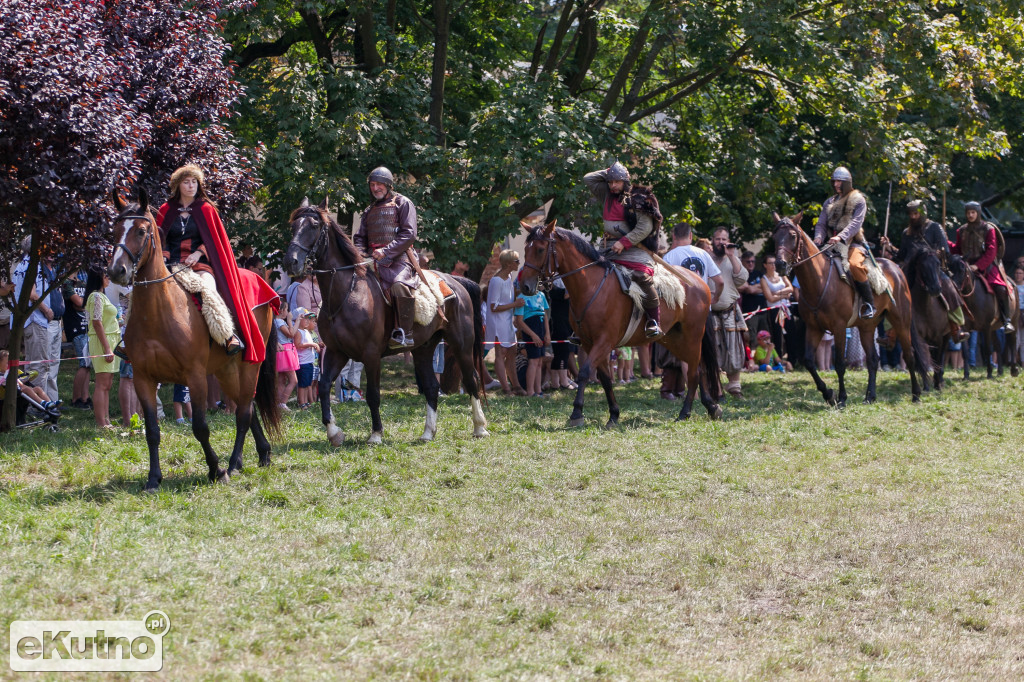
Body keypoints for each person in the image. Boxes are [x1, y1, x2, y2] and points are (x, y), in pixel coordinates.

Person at [154, 164, 251, 358]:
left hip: (199, 265)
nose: (191, 186)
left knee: (209, 290)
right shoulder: (166, 209)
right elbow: (158, 239)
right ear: (177, 186)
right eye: (186, 182)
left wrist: (197, 254)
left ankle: (227, 335)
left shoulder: (206, 209)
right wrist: (164, 258)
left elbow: (214, 241)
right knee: (145, 290)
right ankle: (129, 338)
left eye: (194, 182)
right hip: (169, 264)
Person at [584, 161, 664, 337]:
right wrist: (609, 172)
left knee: (641, 278)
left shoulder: (638, 198)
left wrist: (625, 242)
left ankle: (654, 322)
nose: (612, 185)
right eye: (610, 182)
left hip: (635, 248)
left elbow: (645, 228)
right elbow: (588, 178)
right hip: (607, 248)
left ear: (625, 182)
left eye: (617, 182)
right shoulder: (605, 193)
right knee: (589, 277)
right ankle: (586, 324)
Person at [881, 199, 968, 341]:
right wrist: (889, 245)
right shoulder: (906, 233)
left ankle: (956, 328)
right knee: (893, 293)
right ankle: (890, 332)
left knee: (950, 289)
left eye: (915, 213)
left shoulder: (934, 227)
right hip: (911, 270)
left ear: (922, 213)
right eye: (911, 214)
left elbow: (945, 250)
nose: (913, 217)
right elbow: (902, 255)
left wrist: (936, 254)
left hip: (931, 267)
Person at [355, 166, 421, 349]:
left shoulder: (403, 203)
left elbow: (409, 234)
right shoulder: (369, 211)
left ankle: (405, 333)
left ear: (388, 185)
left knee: (399, 285)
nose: (375, 188)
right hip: (374, 261)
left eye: (379, 184)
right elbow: (360, 238)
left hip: (399, 258)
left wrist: (386, 250)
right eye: (372, 185)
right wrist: (361, 254)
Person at [659, 222, 723, 399]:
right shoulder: (703, 253)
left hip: (679, 311)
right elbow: (720, 281)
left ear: (673, 237)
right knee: (709, 349)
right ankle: (716, 390)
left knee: (688, 353)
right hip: (703, 308)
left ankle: (693, 394)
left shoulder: (669, 256)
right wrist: (714, 298)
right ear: (691, 236)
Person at [813, 166, 875, 319]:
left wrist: (840, 237)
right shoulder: (829, 202)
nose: (835, 184)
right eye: (834, 181)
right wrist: (819, 237)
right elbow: (821, 224)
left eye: (839, 181)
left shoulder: (858, 200)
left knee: (854, 265)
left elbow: (855, 224)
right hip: (832, 244)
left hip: (852, 243)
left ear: (847, 182)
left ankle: (869, 304)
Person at [948, 201, 1015, 332]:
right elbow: (958, 249)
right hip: (966, 266)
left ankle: (1006, 318)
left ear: (978, 213)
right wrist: (947, 242)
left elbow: (991, 251)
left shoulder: (988, 229)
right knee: (953, 286)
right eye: (968, 213)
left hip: (987, 265)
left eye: (973, 212)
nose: (970, 215)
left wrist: (978, 266)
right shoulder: (961, 230)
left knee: (1000, 288)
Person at [9, 237, 54, 392]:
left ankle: (29, 403)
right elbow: (32, 294)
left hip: (26, 321)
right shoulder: (32, 265)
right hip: (35, 320)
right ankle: (37, 408)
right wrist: (47, 310)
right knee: (39, 366)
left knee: (30, 365)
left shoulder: (22, 264)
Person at [709, 226, 749, 398]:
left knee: (734, 350)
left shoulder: (733, 258)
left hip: (730, 311)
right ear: (712, 240)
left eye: (724, 239)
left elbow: (742, 279)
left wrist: (732, 256)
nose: (721, 242)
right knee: (713, 350)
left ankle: (734, 387)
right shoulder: (707, 258)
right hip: (710, 313)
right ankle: (716, 388)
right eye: (718, 239)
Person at [486, 250, 525, 395]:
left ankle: (516, 385)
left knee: (512, 351)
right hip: (498, 322)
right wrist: (515, 304)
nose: (518, 264)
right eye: (516, 261)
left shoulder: (508, 277)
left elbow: (509, 296)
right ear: (508, 263)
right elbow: (493, 306)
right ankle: (506, 388)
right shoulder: (497, 281)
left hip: (507, 321)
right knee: (500, 353)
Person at [86, 270, 120, 428]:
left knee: (108, 384)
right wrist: (107, 348)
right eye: (105, 275)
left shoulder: (103, 295)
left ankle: (107, 420)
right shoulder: (96, 296)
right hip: (102, 343)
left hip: (110, 341)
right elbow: (97, 322)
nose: (108, 278)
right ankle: (101, 423)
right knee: (101, 383)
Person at [62, 269, 92, 409]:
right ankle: (76, 399)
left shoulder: (83, 282)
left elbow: (85, 302)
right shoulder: (66, 284)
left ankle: (85, 397)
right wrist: (84, 304)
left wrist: (83, 304)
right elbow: (79, 303)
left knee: (88, 364)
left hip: (86, 327)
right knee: (83, 363)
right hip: (75, 328)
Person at [514, 286, 550, 397]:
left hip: (541, 330)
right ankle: (530, 391)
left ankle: (538, 391)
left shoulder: (541, 295)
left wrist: (547, 334)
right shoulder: (521, 298)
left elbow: (545, 316)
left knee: (539, 362)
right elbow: (519, 321)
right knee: (533, 361)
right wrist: (533, 335)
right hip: (531, 330)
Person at [547, 278, 577, 391]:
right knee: (563, 352)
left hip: (566, 322)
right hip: (558, 323)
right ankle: (564, 381)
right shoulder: (555, 289)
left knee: (559, 354)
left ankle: (555, 383)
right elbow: (566, 295)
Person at [760, 254, 793, 353]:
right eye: (770, 263)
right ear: (765, 265)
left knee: (790, 334)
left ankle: (792, 360)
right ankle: (778, 359)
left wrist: (778, 293)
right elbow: (770, 298)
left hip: (786, 308)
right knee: (777, 335)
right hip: (774, 309)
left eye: (774, 263)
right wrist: (784, 294)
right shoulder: (764, 279)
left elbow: (790, 288)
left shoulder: (781, 275)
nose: (773, 265)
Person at [292, 307, 319, 409]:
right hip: (303, 362)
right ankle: (301, 402)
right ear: (298, 320)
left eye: (309, 319)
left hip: (309, 362)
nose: (308, 321)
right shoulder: (298, 331)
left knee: (307, 383)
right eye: (305, 318)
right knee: (302, 384)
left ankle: (306, 401)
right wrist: (311, 344)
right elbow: (298, 345)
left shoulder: (306, 331)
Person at [273, 306, 299, 410]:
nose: (288, 312)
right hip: (285, 351)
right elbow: (291, 334)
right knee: (293, 380)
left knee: (281, 379)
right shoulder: (279, 322)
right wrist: (293, 321)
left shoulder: (275, 321)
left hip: (282, 351)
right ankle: (283, 403)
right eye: (287, 310)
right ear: (282, 310)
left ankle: (278, 403)